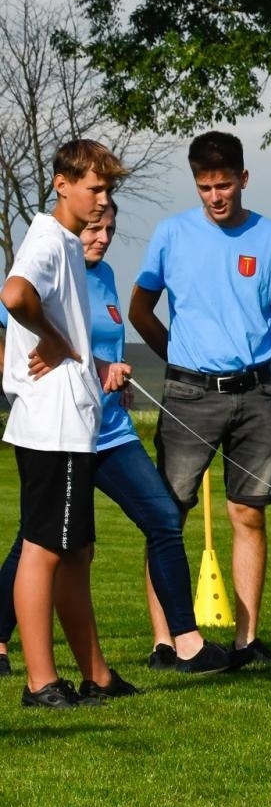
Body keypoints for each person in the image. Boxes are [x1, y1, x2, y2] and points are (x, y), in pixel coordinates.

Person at [0, 203, 231, 677]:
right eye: (94, 228)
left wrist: (111, 375)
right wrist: (23, 383)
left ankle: (186, 643)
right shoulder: (49, 264)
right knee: (37, 540)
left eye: (109, 229)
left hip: (110, 431)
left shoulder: (104, 275)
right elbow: (17, 327)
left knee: (163, 518)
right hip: (62, 432)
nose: (102, 237)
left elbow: (96, 345)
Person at [128, 131, 271, 667]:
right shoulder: (171, 234)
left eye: (224, 185)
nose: (215, 196)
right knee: (168, 517)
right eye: (205, 187)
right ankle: (165, 642)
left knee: (248, 513)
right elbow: (140, 310)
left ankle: (246, 641)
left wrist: (256, 352)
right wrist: (177, 357)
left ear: (243, 178)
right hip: (187, 394)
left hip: (255, 395)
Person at [1, 140, 135, 707]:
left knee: (75, 552)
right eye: (94, 188)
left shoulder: (68, 246)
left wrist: (88, 358)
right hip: (51, 424)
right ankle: (40, 682)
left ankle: (96, 675)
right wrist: (54, 341)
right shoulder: (49, 239)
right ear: (62, 184)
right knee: (44, 550)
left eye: (108, 190)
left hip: (71, 422)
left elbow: (64, 325)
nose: (102, 200)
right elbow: (15, 295)